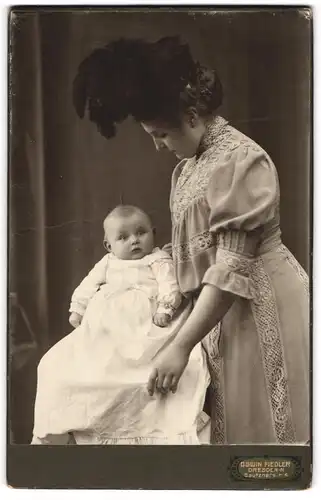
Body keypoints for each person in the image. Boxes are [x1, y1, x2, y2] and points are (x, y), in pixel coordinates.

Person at [72, 36, 309, 444]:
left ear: (194, 115)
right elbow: (188, 263)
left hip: (260, 304)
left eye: (161, 133)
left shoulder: (240, 160)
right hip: (215, 318)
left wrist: (180, 346)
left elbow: (231, 267)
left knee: (267, 440)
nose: (157, 145)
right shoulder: (185, 172)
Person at [31, 205, 210, 445]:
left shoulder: (157, 259)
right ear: (109, 245)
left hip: (146, 326)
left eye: (141, 233)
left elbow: (170, 285)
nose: (134, 241)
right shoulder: (107, 263)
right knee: (62, 364)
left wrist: (165, 309)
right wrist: (78, 308)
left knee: (144, 360)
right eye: (123, 237)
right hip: (108, 330)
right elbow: (87, 285)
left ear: (153, 233)